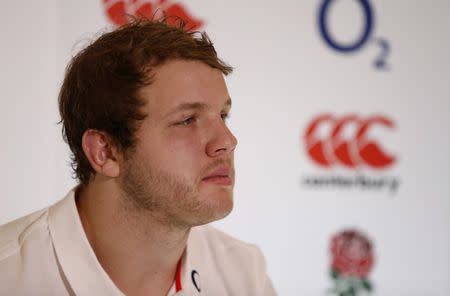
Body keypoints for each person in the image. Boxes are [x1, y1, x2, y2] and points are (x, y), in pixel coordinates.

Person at [0, 19, 276, 295]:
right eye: (188, 120)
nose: (227, 141)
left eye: (223, 115)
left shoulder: (244, 273)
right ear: (105, 152)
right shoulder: (8, 276)